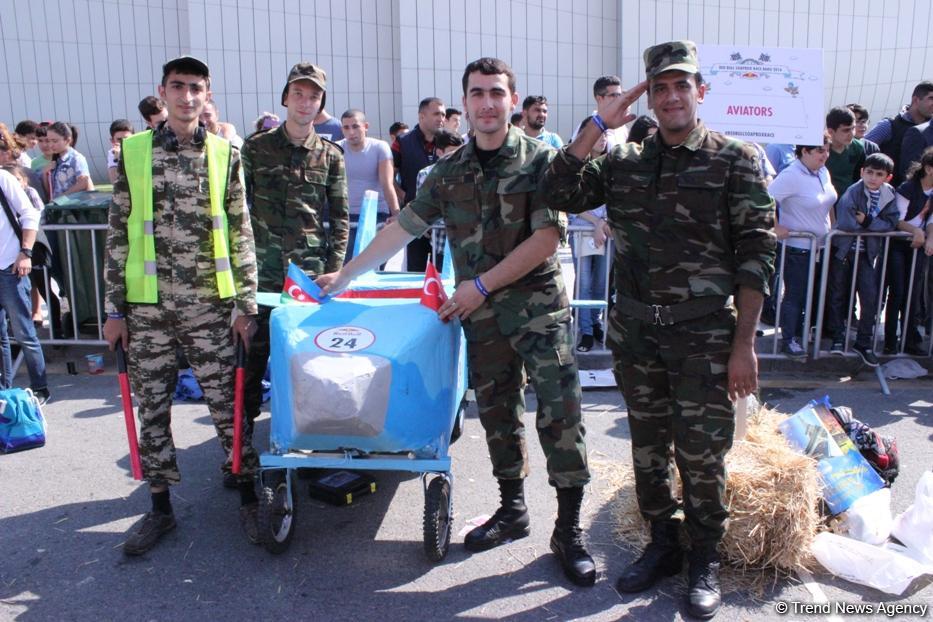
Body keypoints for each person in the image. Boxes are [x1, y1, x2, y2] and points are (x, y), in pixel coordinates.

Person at [317, 57, 595, 588]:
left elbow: (546, 240)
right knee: (497, 415)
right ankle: (512, 510)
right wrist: (348, 273)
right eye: (476, 94)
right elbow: (403, 226)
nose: (487, 103)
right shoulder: (449, 172)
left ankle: (569, 530)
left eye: (496, 93)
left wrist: (481, 285)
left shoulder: (542, 162)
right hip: (483, 320)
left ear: (512, 101)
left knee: (561, 418)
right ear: (463, 105)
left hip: (536, 313)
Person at [542, 41, 776, 619]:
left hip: (705, 338)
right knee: (647, 450)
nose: (672, 97)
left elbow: (757, 255)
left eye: (682, 85)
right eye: (661, 87)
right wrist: (600, 123)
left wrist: (744, 345)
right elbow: (559, 190)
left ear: (701, 91)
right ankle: (663, 545)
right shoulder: (625, 162)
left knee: (702, 456)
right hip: (638, 335)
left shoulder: (734, 159)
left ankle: (704, 560)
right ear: (649, 93)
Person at [103, 56, 261, 555]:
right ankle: (160, 510)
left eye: (196, 88)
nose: (187, 96)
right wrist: (112, 310)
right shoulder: (133, 153)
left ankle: (249, 496)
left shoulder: (224, 154)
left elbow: (240, 231)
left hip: (210, 307)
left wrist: (247, 304)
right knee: (151, 410)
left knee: (229, 407)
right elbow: (117, 235)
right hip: (147, 310)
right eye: (178, 87)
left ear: (206, 94)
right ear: (162, 91)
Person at [240, 62, 349, 488]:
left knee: (309, 368)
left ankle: (313, 447)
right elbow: (237, 213)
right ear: (286, 98)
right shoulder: (255, 149)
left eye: (314, 96)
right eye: (298, 94)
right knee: (250, 364)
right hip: (262, 278)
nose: (305, 103)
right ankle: (242, 451)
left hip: (307, 282)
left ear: (321, 104)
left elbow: (339, 219)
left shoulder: (331, 155)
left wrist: (336, 271)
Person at [768, 132, 837, 358]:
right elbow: (766, 198)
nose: (825, 155)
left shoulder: (823, 171)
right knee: (795, 295)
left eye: (826, 150)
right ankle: (789, 339)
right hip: (797, 247)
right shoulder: (791, 174)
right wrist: (776, 226)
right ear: (804, 151)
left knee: (814, 293)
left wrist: (833, 229)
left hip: (821, 246)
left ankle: (801, 334)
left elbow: (829, 201)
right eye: (820, 150)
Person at [827, 153, 900, 366]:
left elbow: (892, 222)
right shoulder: (853, 191)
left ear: (887, 177)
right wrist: (874, 225)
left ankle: (863, 342)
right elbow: (848, 223)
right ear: (862, 172)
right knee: (838, 294)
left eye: (879, 174)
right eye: (869, 172)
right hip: (845, 250)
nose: (873, 178)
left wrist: (867, 221)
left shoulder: (889, 194)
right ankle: (838, 338)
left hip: (868, 253)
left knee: (870, 298)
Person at [0, 166, 50, 404]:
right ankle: (3, 392)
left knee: (24, 334)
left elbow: (30, 214)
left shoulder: (3, 177)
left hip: (10, 267)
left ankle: (40, 388)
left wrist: (25, 252)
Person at [566, 116, 610, 353]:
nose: (602, 139)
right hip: (582, 231)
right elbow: (571, 202)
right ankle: (584, 331)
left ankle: (595, 323)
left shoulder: (612, 163)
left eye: (606, 135)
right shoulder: (576, 165)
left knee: (601, 283)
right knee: (584, 283)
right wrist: (596, 222)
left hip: (605, 233)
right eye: (599, 134)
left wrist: (604, 224)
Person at [884, 147, 933, 355]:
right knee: (898, 292)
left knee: (913, 293)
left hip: (918, 247)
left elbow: (931, 220)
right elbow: (898, 220)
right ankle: (890, 340)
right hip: (898, 245)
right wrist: (916, 232)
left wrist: (928, 236)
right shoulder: (908, 188)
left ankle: (909, 337)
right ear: (929, 169)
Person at [392, 96, 446, 272]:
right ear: (421, 116)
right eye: (436, 114)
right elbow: (389, 175)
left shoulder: (448, 142)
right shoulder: (403, 142)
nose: (441, 119)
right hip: (414, 217)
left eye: (444, 114)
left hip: (442, 221)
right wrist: (403, 196)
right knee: (415, 271)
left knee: (442, 270)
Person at [337, 109, 400, 259]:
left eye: (355, 126)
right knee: (347, 263)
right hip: (345, 215)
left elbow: (387, 183)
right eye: (346, 128)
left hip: (376, 214)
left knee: (374, 263)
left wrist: (397, 214)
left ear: (366, 126)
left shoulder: (380, 147)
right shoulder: (336, 148)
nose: (351, 132)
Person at [865, 82, 933, 186]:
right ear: (916, 99)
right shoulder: (889, 125)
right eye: (931, 98)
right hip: (888, 193)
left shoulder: (930, 128)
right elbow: (863, 149)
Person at [570, 76, 631, 146]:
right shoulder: (587, 126)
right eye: (613, 95)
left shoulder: (622, 128)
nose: (618, 99)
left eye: (619, 95)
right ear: (599, 98)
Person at [825, 106, 866, 200]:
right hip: (825, 200)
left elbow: (861, 179)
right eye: (846, 130)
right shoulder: (820, 149)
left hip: (849, 201)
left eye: (853, 128)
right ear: (831, 131)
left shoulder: (858, 148)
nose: (851, 134)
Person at [44, 122, 93, 199]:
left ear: (67, 140)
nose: (50, 145)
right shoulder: (56, 161)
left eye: (55, 141)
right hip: (59, 207)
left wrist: (62, 196)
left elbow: (84, 182)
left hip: (74, 207)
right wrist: (45, 173)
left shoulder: (76, 158)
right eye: (49, 141)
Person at [107, 119, 134, 183]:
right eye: (119, 140)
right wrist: (119, 158)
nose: (123, 142)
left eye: (127, 139)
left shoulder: (142, 149)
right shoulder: (113, 153)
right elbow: (115, 181)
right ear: (112, 141)